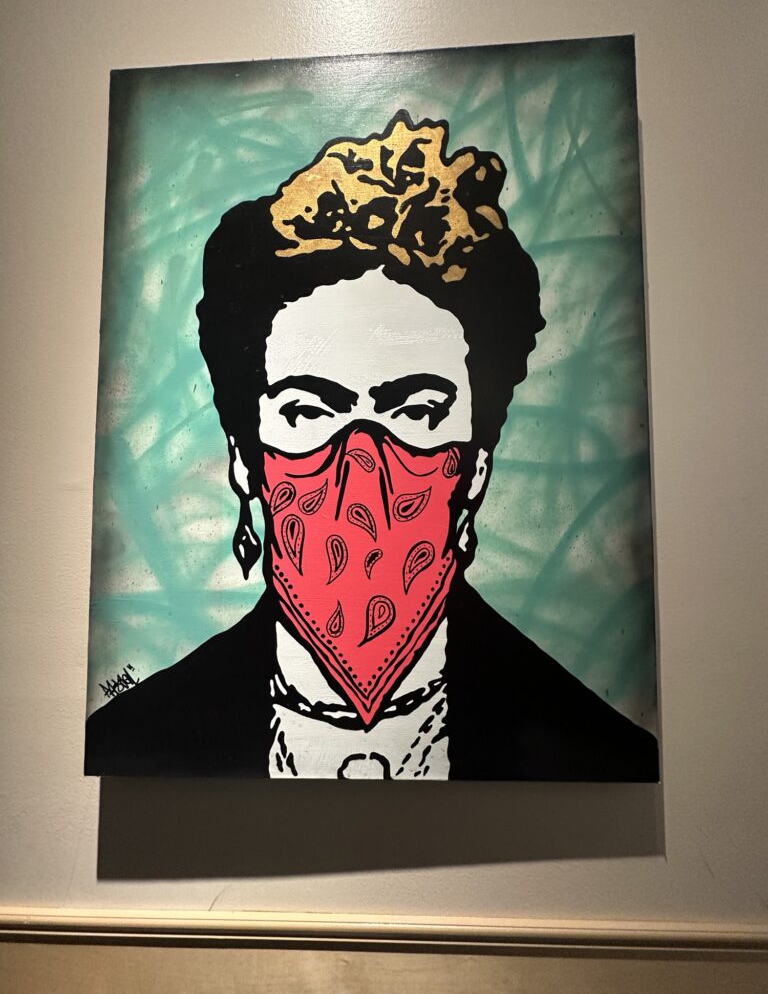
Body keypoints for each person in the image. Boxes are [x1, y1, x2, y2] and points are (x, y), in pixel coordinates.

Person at [85, 111, 658, 781]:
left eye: (416, 411)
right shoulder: (135, 739)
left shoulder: (593, 751)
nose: (361, 473)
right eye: (307, 410)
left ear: (477, 462)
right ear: (245, 456)